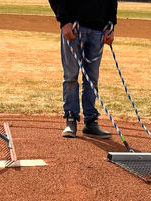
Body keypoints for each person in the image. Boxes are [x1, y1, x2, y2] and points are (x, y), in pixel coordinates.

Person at [49, 0, 118, 139]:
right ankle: (71, 119)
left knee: (92, 79)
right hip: (74, 26)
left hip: (98, 29)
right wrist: (64, 20)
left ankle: (91, 121)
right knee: (71, 76)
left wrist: (110, 24)